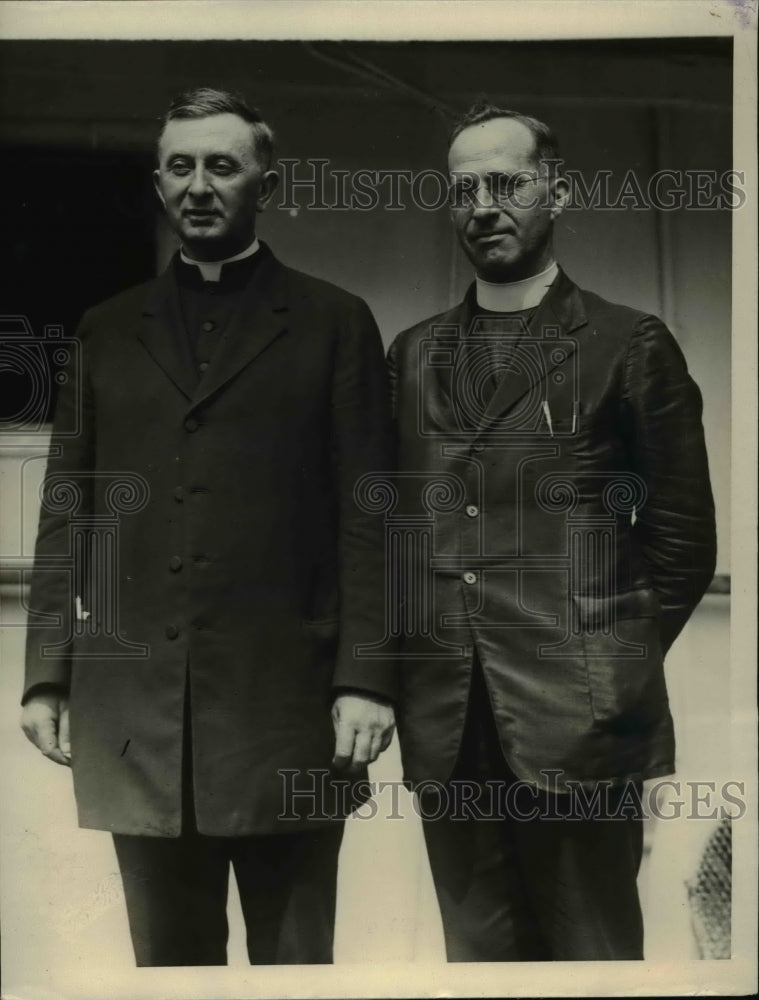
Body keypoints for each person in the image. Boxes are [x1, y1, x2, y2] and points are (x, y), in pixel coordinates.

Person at [21, 87, 396, 967]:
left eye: (222, 166)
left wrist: (368, 679)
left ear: (267, 180)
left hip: (290, 717)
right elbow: (69, 514)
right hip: (141, 723)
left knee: (296, 973)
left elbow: (371, 517)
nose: (199, 185)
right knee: (168, 973)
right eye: (180, 167)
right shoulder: (105, 331)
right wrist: (46, 675)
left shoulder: (334, 323)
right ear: (157, 185)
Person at [388, 101, 717, 961]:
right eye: (465, 189)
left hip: (581, 728)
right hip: (449, 726)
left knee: (593, 961)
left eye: (508, 182)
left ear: (556, 192)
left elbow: (681, 542)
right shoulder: (413, 355)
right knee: (479, 965)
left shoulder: (626, 343)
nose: (484, 205)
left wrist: (604, 658)